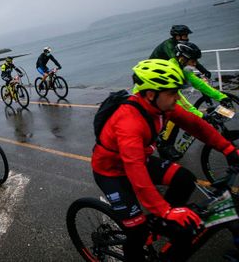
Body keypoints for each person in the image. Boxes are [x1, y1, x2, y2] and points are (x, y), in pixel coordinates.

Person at [92, 59, 239, 261]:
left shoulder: (163, 107)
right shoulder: (128, 123)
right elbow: (135, 171)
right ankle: (148, 233)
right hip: (111, 172)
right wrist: (164, 210)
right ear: (151, 94)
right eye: (172, 92)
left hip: (136, 160)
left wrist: (228, 149)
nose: (177, 97)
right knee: (137, 232)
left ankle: (159, 223)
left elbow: (195, 125)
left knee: (185, 179)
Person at [148, 41, 230, 160]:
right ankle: (164, 145)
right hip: (150, 101)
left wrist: (221, 96)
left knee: (178, 115)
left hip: (159, 99)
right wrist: (200, 115)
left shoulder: (182, 68)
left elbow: (199, 84)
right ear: (182, 59)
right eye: (193, 61)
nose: (195, 64)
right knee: (174, 114)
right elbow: (180, 102)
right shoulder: (172, 70)